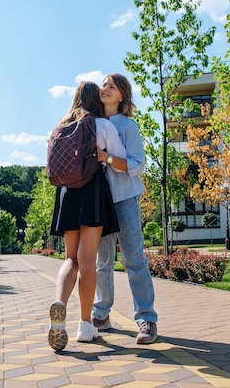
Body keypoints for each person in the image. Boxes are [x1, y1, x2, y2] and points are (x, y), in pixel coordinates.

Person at [47, 81, 127, 351]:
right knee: (88, 260)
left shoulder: (60, 127)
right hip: (92, 191)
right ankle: (84, 324)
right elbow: (121, 158)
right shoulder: (102, 126)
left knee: (71, 258)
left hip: (67, 193)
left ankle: (60, 303)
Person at [92, 73, 158, 344]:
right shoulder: (90, 123)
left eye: (112, 86)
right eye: (103, 84)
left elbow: (138, 165)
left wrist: (106, 158)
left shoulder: (128, 126)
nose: (105, 88)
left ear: (122, 96)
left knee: (134, 258)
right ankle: (101, 314)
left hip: (126, 197)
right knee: (102, 261)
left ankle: (146, 319)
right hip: (98, 200)